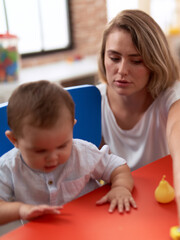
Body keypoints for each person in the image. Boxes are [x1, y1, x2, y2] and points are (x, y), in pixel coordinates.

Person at [97, 9, 180, 237]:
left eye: (136, 61)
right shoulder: (95, 100)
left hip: (165, 203)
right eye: (114, 58)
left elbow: (179, 128)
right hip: (120, 206)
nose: (122, 70)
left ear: (154, 62)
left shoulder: (175, 93)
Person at [0, 80, 137, 225]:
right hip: (43, 234)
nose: (52, 158)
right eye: (40, 151)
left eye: (62, 146)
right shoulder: (9, 167)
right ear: (14, 139)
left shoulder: (82, 152)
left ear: (72, 126)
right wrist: (20, 210)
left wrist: (120, 187)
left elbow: (117, 168)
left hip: (92, 225)